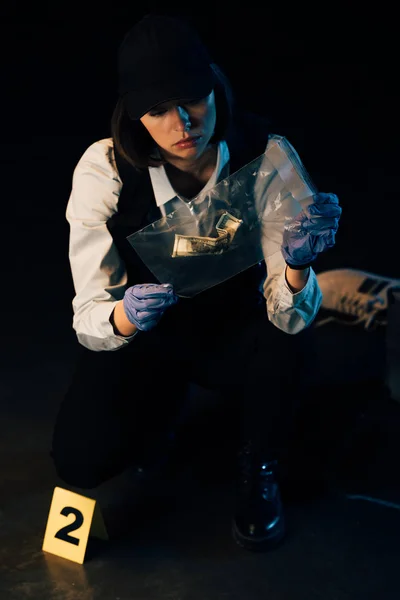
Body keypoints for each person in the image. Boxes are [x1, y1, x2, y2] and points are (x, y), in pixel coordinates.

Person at [51, 12, 342, 552]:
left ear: (214, 86)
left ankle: (259, 464)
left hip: (233, 334)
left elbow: (291, 311)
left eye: (192, 98)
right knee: (78, 459)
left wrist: (297, 264)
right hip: (147, 341)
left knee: (294, 354)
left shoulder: (265, 154)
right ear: (135, 115)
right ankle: (162, 417)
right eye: (158, 110)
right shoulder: (105, 170)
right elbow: (89, 311)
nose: (182, 123)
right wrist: (124, 315)